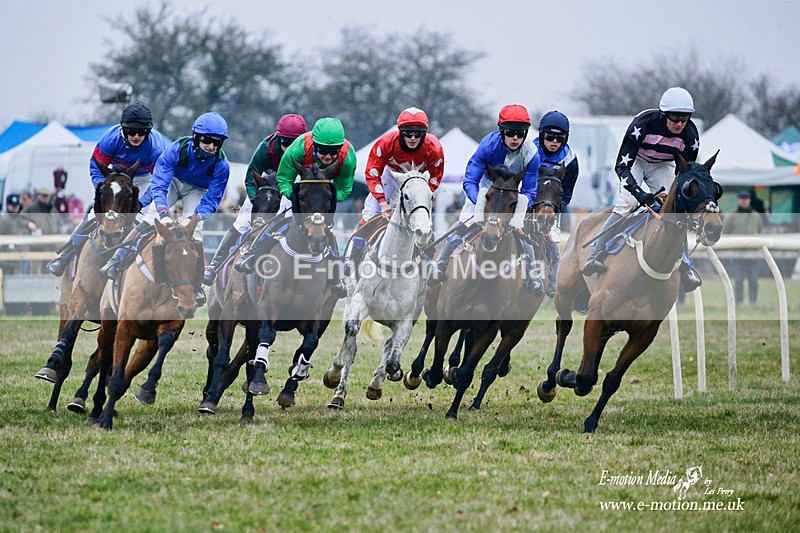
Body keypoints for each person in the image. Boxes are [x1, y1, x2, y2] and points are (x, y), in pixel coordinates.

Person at [100, 112, 231, 305]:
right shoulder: (176, 150)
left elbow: (212, 199)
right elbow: (159, 185)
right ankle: (117, 258)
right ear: (195, 136)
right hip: (173, 182)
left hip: (197, 190)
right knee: (149, 217)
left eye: (216, 142)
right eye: (206, 140)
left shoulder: (222, 165)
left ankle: (197, 285)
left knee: (197, 231)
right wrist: (163, 213)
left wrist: (194, 218)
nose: (211, 146)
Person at [581, 87, 704, 292]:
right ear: (664, 114)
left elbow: (687, 174)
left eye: (685, 117)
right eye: (675, 117)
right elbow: (621, 166)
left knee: (676, 207)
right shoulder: (643, 123)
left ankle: (685, 265)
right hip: (636, 161)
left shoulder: (690, 135)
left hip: (663, 166)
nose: (680, 123)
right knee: (627, 203)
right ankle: (597, 253)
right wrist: (640, 194)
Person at [234, 117, 356, 298]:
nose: (328, 157)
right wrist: (296, 198)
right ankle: (253, 253)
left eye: (333, 153)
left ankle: (335, 275)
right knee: (281, 217)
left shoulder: (348, 156)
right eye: (323, 151)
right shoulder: (298, 148)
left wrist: (327, 200)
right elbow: (283, 179)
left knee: (325, 227)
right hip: (297, 183)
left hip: (324, 187)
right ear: (314, 145)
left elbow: (345, 188)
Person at [429, 103, 543, 294]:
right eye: (510, 132)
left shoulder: (532, 155)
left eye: (521, 133)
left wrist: (517, 208)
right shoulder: (487, 146)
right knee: (464, 222)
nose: (515, 138)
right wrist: (481, 203)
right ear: (501, 131)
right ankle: (440, 266)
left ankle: (533, 276)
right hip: (486, 187)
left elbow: (530, 191)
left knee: (521, 231)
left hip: (512, 193)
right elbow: (470, 181)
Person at [46, 102, 168, 276]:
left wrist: (142, 202)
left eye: (141, 132)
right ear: (123, 129)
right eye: (131, 131)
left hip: (145, 177)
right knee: (93, 215)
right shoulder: (110, 139)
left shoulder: (156, 147)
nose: (136, 136)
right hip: (115, 175)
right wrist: (104, 189)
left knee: (147, 218)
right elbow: (95, 166)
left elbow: (159, 182)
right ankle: (65, 255)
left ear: (148, 132)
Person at [202, 113, 306, 285]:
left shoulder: (309, 150)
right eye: (285, 142)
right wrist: (255, 200)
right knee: (242, 221)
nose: (289, 147)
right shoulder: (266, 147)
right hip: (268, 186)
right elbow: (251, 177)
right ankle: (214, 266)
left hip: (293, 185)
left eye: (294, 143)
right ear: (278, 138)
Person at [347, 107, 445, 265]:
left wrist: (423, 197)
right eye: (407, 132)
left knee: (424, 220)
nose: (413, 138)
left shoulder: (434, 147)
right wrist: (382, 203)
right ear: (400, 131)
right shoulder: (385, 143)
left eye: (418, 133)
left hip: (418, 181)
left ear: (425, 133)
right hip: (392, 177)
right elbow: (372, 173)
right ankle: (352, 258)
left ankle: (428, 260)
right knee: (371, 212)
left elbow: (435, 178)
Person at [533, 110, 579, 297]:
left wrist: (551, 209)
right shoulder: (529, 151)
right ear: (542, 135)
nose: (554, 142)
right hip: (527, 200)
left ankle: (554, 280)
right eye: (550, 137)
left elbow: (566, 193)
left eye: (559, 138)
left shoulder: (571, 160)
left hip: (551, 206)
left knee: (552, 236)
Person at [723, 190, 764, 306]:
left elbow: (760, 230)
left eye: (746, 199)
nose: (744, 201)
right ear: (738, 200)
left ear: (749, 200)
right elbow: (725, 233)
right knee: (739, 280)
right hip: (737, 254)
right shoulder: (731, 216)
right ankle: (739, 302)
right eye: (742, 199)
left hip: (753, 255)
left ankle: (753, 302)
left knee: (754, 281)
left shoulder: (756, 216)